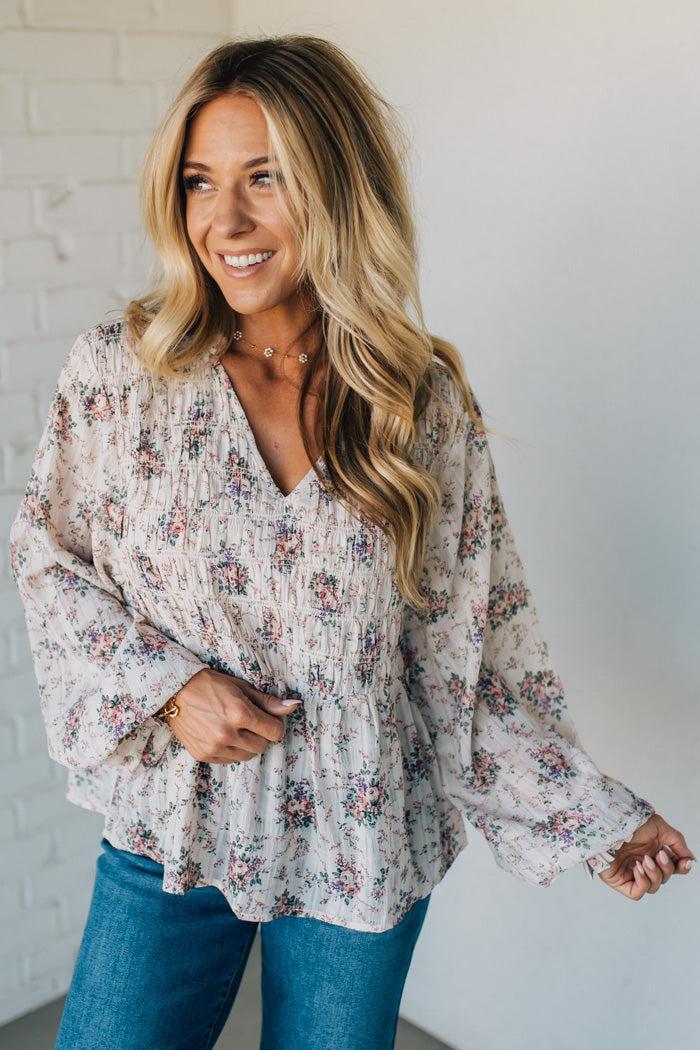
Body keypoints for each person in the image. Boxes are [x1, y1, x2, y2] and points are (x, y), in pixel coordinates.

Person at [8, 33, 693, 1050]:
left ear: (335, 186)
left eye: (264, 179)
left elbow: (468, 658)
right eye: (199, 183)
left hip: (361, 842)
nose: (223, 222)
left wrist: (591, 818)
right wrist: (167, 685)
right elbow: (48, 564)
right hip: (175, 830)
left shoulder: (417, 401)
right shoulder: (124, 374)